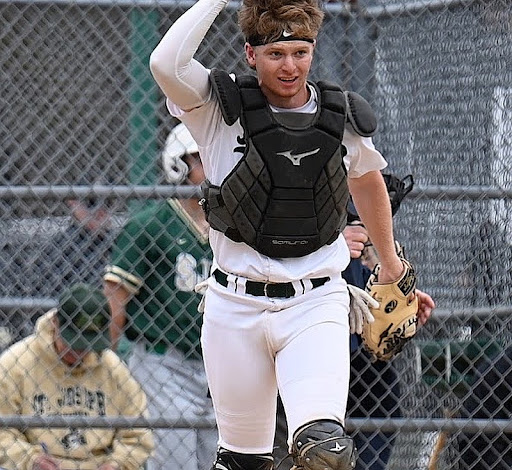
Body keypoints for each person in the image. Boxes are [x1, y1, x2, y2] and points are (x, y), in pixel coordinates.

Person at [149, 0, 435, 468]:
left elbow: (366, 181)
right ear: (250, 54)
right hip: (233, 307)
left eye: (301, 52)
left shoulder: (336, 113)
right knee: (243, 461)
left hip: (314, 302)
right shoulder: (216, 107)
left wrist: (391, 263)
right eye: (277, 53)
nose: (290, 65)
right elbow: (165, 62)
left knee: (325, 450)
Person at [272, 175, 435, 470]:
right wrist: (331, 246)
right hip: (300, 358)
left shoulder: (362, 236)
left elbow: (372, 289)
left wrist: (397, 299)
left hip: (359, 368)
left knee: (382, 404)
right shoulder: (284, 197)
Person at [103, 123, 217, 470]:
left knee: (222, 458)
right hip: (162, 362)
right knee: (174, 462)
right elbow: (115, 300)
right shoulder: (151, 225)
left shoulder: (233, 229)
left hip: (220, 366)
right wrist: (106, 360)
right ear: (176, 164)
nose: (210, 167)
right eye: (199, 159)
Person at [0, 283, 154, 470]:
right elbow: (3, 434)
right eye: (72, 342)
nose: (79, 352)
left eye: (87, 344)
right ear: (55, 323)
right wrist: (30, 460)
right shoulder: (15, 364)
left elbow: (138, 435)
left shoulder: (114, 369)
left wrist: (116, 464)